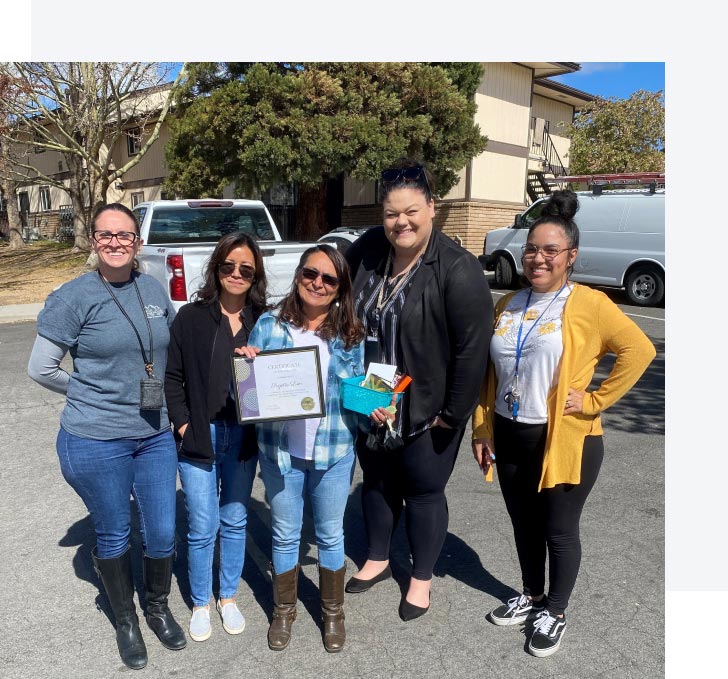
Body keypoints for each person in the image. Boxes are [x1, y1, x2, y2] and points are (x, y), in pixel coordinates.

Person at [471, 190, 656, 658]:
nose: (538, 258)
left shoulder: (589, 303)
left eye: (550, 250)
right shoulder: (508, 303)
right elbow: (488, 375)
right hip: (510, 431)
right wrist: (482, 427)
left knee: (558, 528)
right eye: (532, 248)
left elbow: (639, 350)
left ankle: (555, 609)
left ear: (571, 256)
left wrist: (595, 400)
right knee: (523, 524)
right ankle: (531, 596)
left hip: (565, 438)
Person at [27, 203, 186, 670]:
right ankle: (126, 619)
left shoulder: (153, 288)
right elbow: (41, 367)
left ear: (138, 242)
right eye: (106, 234)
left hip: (154, 434)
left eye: (125, 235)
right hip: (96, 437)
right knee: (115, 532)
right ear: (93, 240)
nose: (116, 242)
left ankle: (156, 606)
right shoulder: (72, 297)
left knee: (160, 530)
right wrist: (89, 389)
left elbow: (172, 347)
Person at [344, 158, 493, 621]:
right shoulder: (368, 249)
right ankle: (378, 557)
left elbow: (472, 351)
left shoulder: (457, 268)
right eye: (391, 213)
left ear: (432, 207)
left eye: (411, 211)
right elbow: (332, 299)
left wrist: (452, 414)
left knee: (424, 490)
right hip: (372, 393)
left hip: (429, 404)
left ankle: (422, 578)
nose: (400, 223)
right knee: (378, 479)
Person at [238, 244, 364, 652]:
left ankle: (333, 614)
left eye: (329, 279)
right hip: (281, 451)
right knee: (285, 533)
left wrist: (379, 406)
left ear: (340, 287)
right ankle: (284, 610)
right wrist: (246, 367)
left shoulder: (350, 333)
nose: (318, 283)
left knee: (329, 534)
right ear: (298, 275)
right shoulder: (270, 325)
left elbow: (357, 391)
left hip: (333, 449)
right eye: (311, 274)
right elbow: (249, 398)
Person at [164, 232, 268, 642]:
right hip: (200, 436)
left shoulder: (265, 320)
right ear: (216, 269)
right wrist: (183, 424)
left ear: (255, 274)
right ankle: (201, 603)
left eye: (246, 268)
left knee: (236, 519)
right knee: (203, 525)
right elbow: (173, 378)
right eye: (229, 266)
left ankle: (228, 596)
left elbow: (279, 381)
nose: (237, 274)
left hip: (243, 438)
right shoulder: (191, 317)